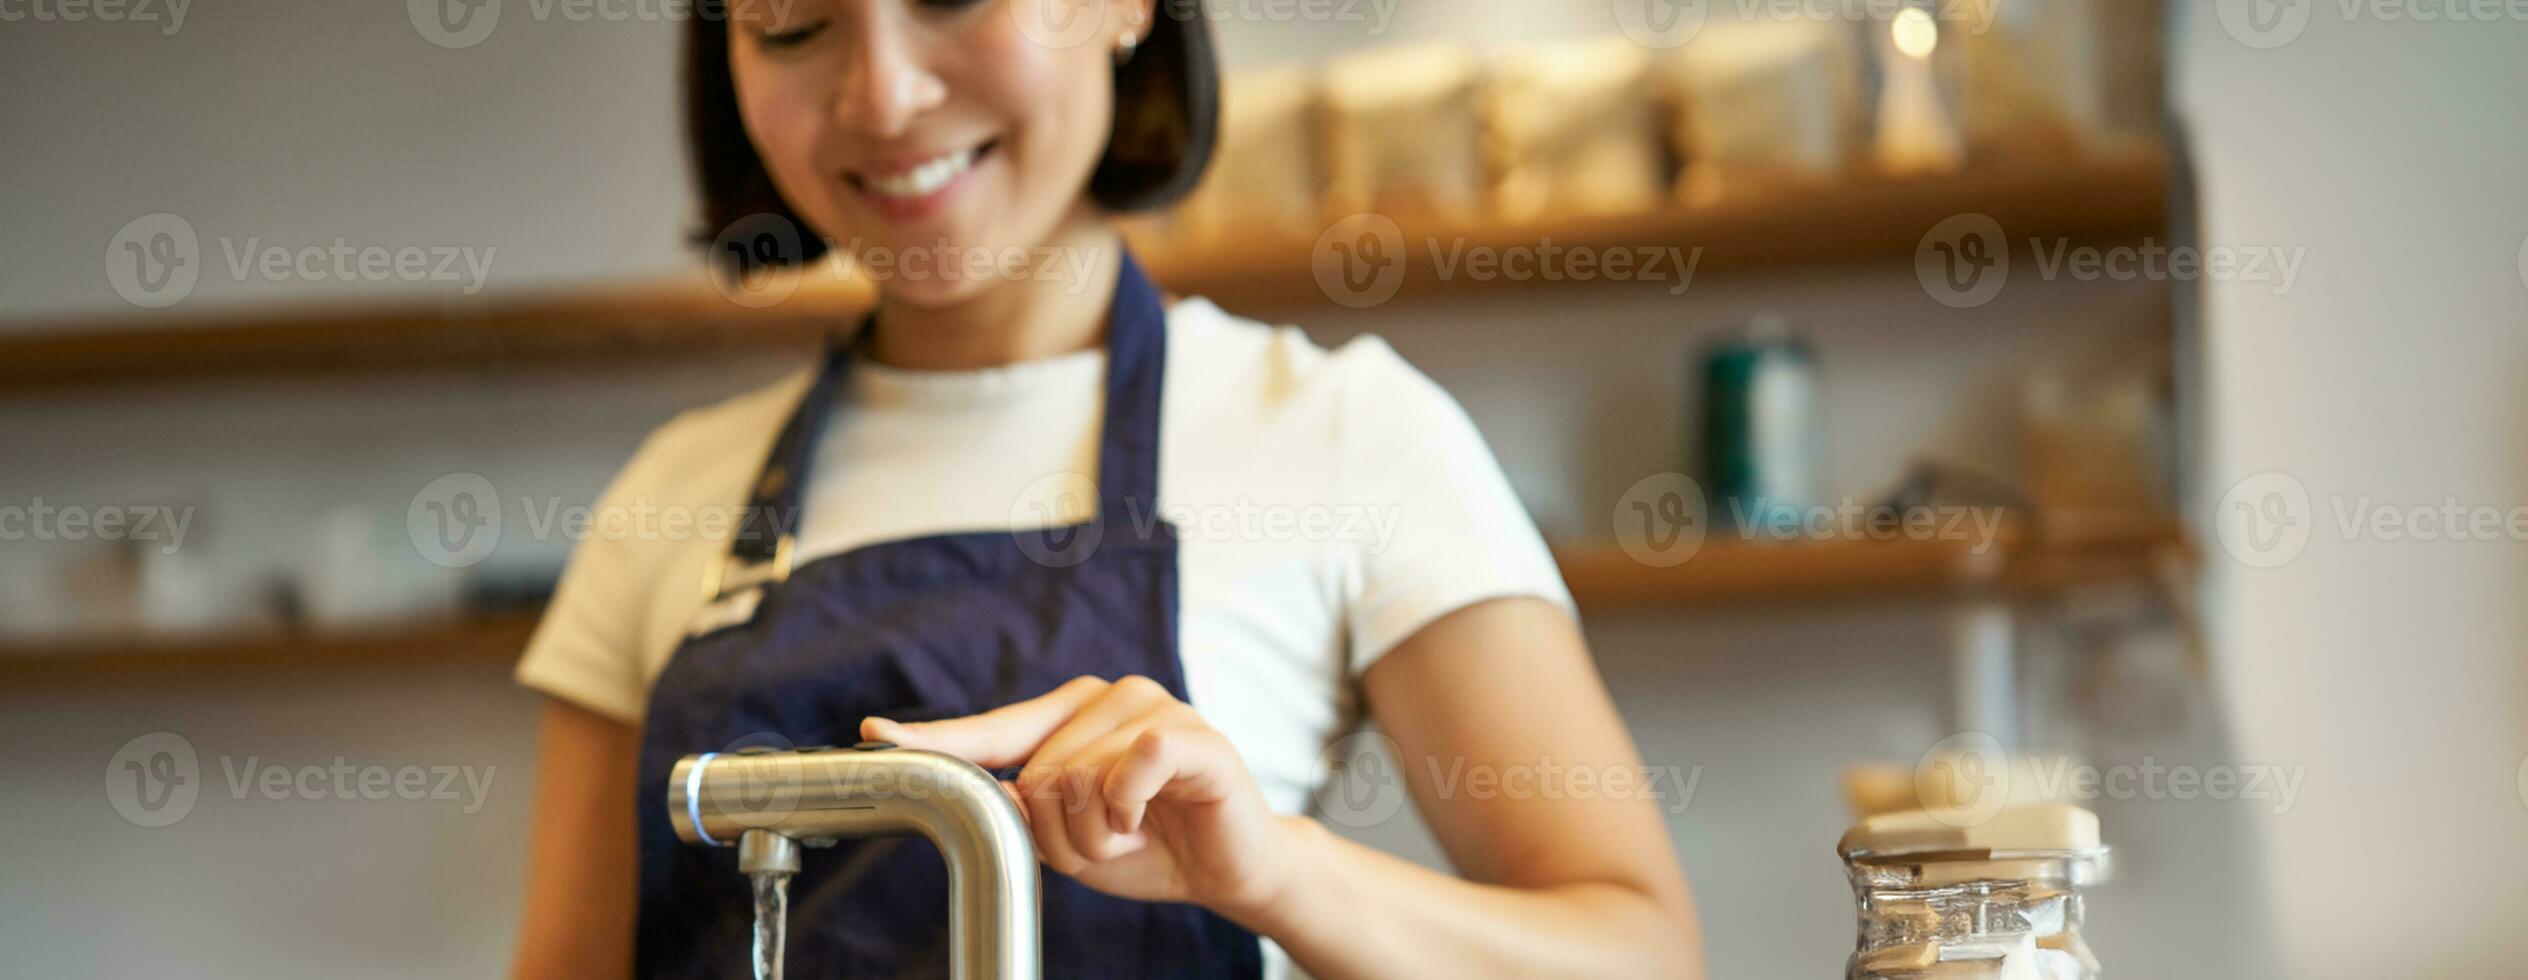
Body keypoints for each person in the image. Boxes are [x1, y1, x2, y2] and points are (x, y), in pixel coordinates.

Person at [509, 2, 1703, 977]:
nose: (879, 95)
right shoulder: (671, 494)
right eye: (791, 24)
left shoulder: (1342, 433)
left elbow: (1639, 952)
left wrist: (1275, 874)